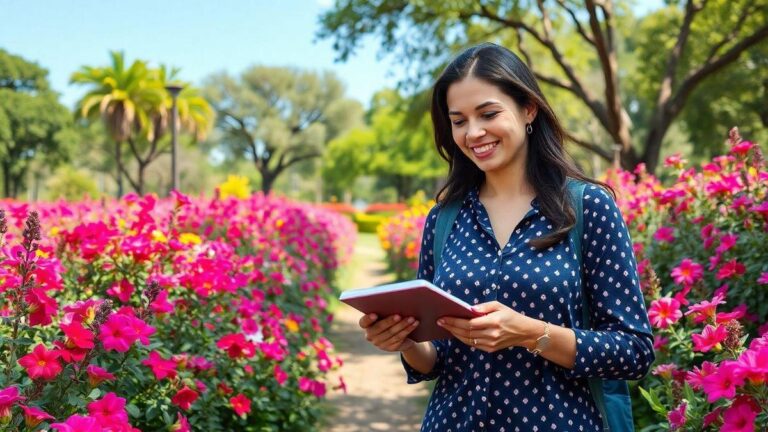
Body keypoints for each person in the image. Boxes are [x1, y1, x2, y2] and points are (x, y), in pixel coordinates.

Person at [357, 42, 655, 431]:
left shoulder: (588, 208)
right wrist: (405, 342)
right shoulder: (444, 220)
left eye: (488, 113)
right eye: (458, 120)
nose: (473, 132)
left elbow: (633, 351)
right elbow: (437, 361)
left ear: (528, 108)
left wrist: (530, 333)